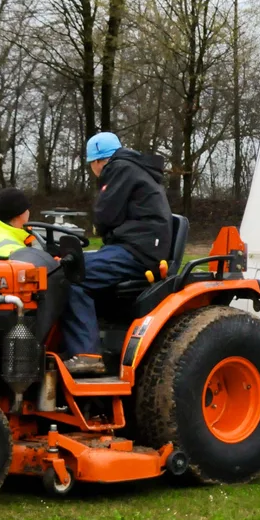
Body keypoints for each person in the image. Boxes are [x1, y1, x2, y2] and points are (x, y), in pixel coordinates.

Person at [59, 132, 173, 376]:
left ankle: (87, 355)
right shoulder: (135, 169)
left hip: (135, 250)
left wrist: (102, 226)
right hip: (140, 247)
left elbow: (104, 216)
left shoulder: (119, 169)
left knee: (70, 274)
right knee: (75, 266)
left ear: (98, 161)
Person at [0, 188, 56, 269]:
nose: (29, 212)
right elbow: (39, 272)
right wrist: (54, 263)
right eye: (27, 209)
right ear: (19, 214)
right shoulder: (11, 250)